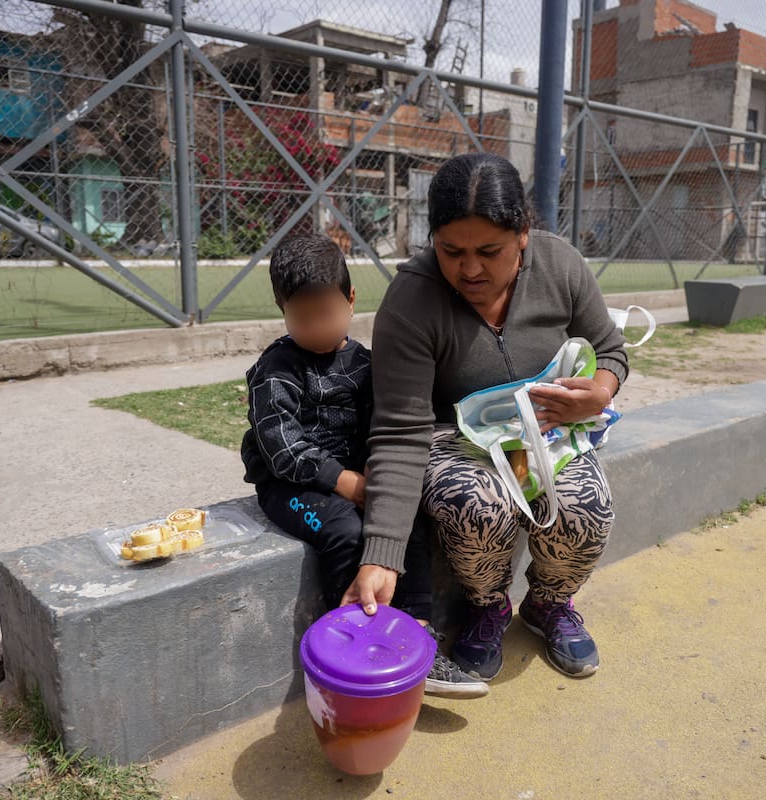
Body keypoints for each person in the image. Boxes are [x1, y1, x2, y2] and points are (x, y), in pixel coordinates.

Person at [341, 153, 629, 680]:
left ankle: (549, 603)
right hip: (455, 439)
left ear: (523, 233)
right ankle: (489, 605)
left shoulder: (561, 265)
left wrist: (600, 391)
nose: (470, 269)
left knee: (585, 508)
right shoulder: (412, 301)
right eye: (452, 251)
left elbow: (610, 348)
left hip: (545, 431)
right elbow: (401, 431)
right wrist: (381, 555)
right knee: (475, 506)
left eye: (488, 251)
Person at [240, 233, 486, 698]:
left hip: (354, 478)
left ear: (351, 301)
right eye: (302, 317)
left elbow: (387, 424)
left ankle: (418, 632)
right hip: (292, 487)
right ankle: (351, 637)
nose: (316, 327)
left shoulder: (367, 364)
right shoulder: (275, 371)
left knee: (400, 512)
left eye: (326, 314)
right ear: (282, 308)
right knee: (345, 532)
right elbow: (281, 447)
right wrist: (346, 482)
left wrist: (374, 478)